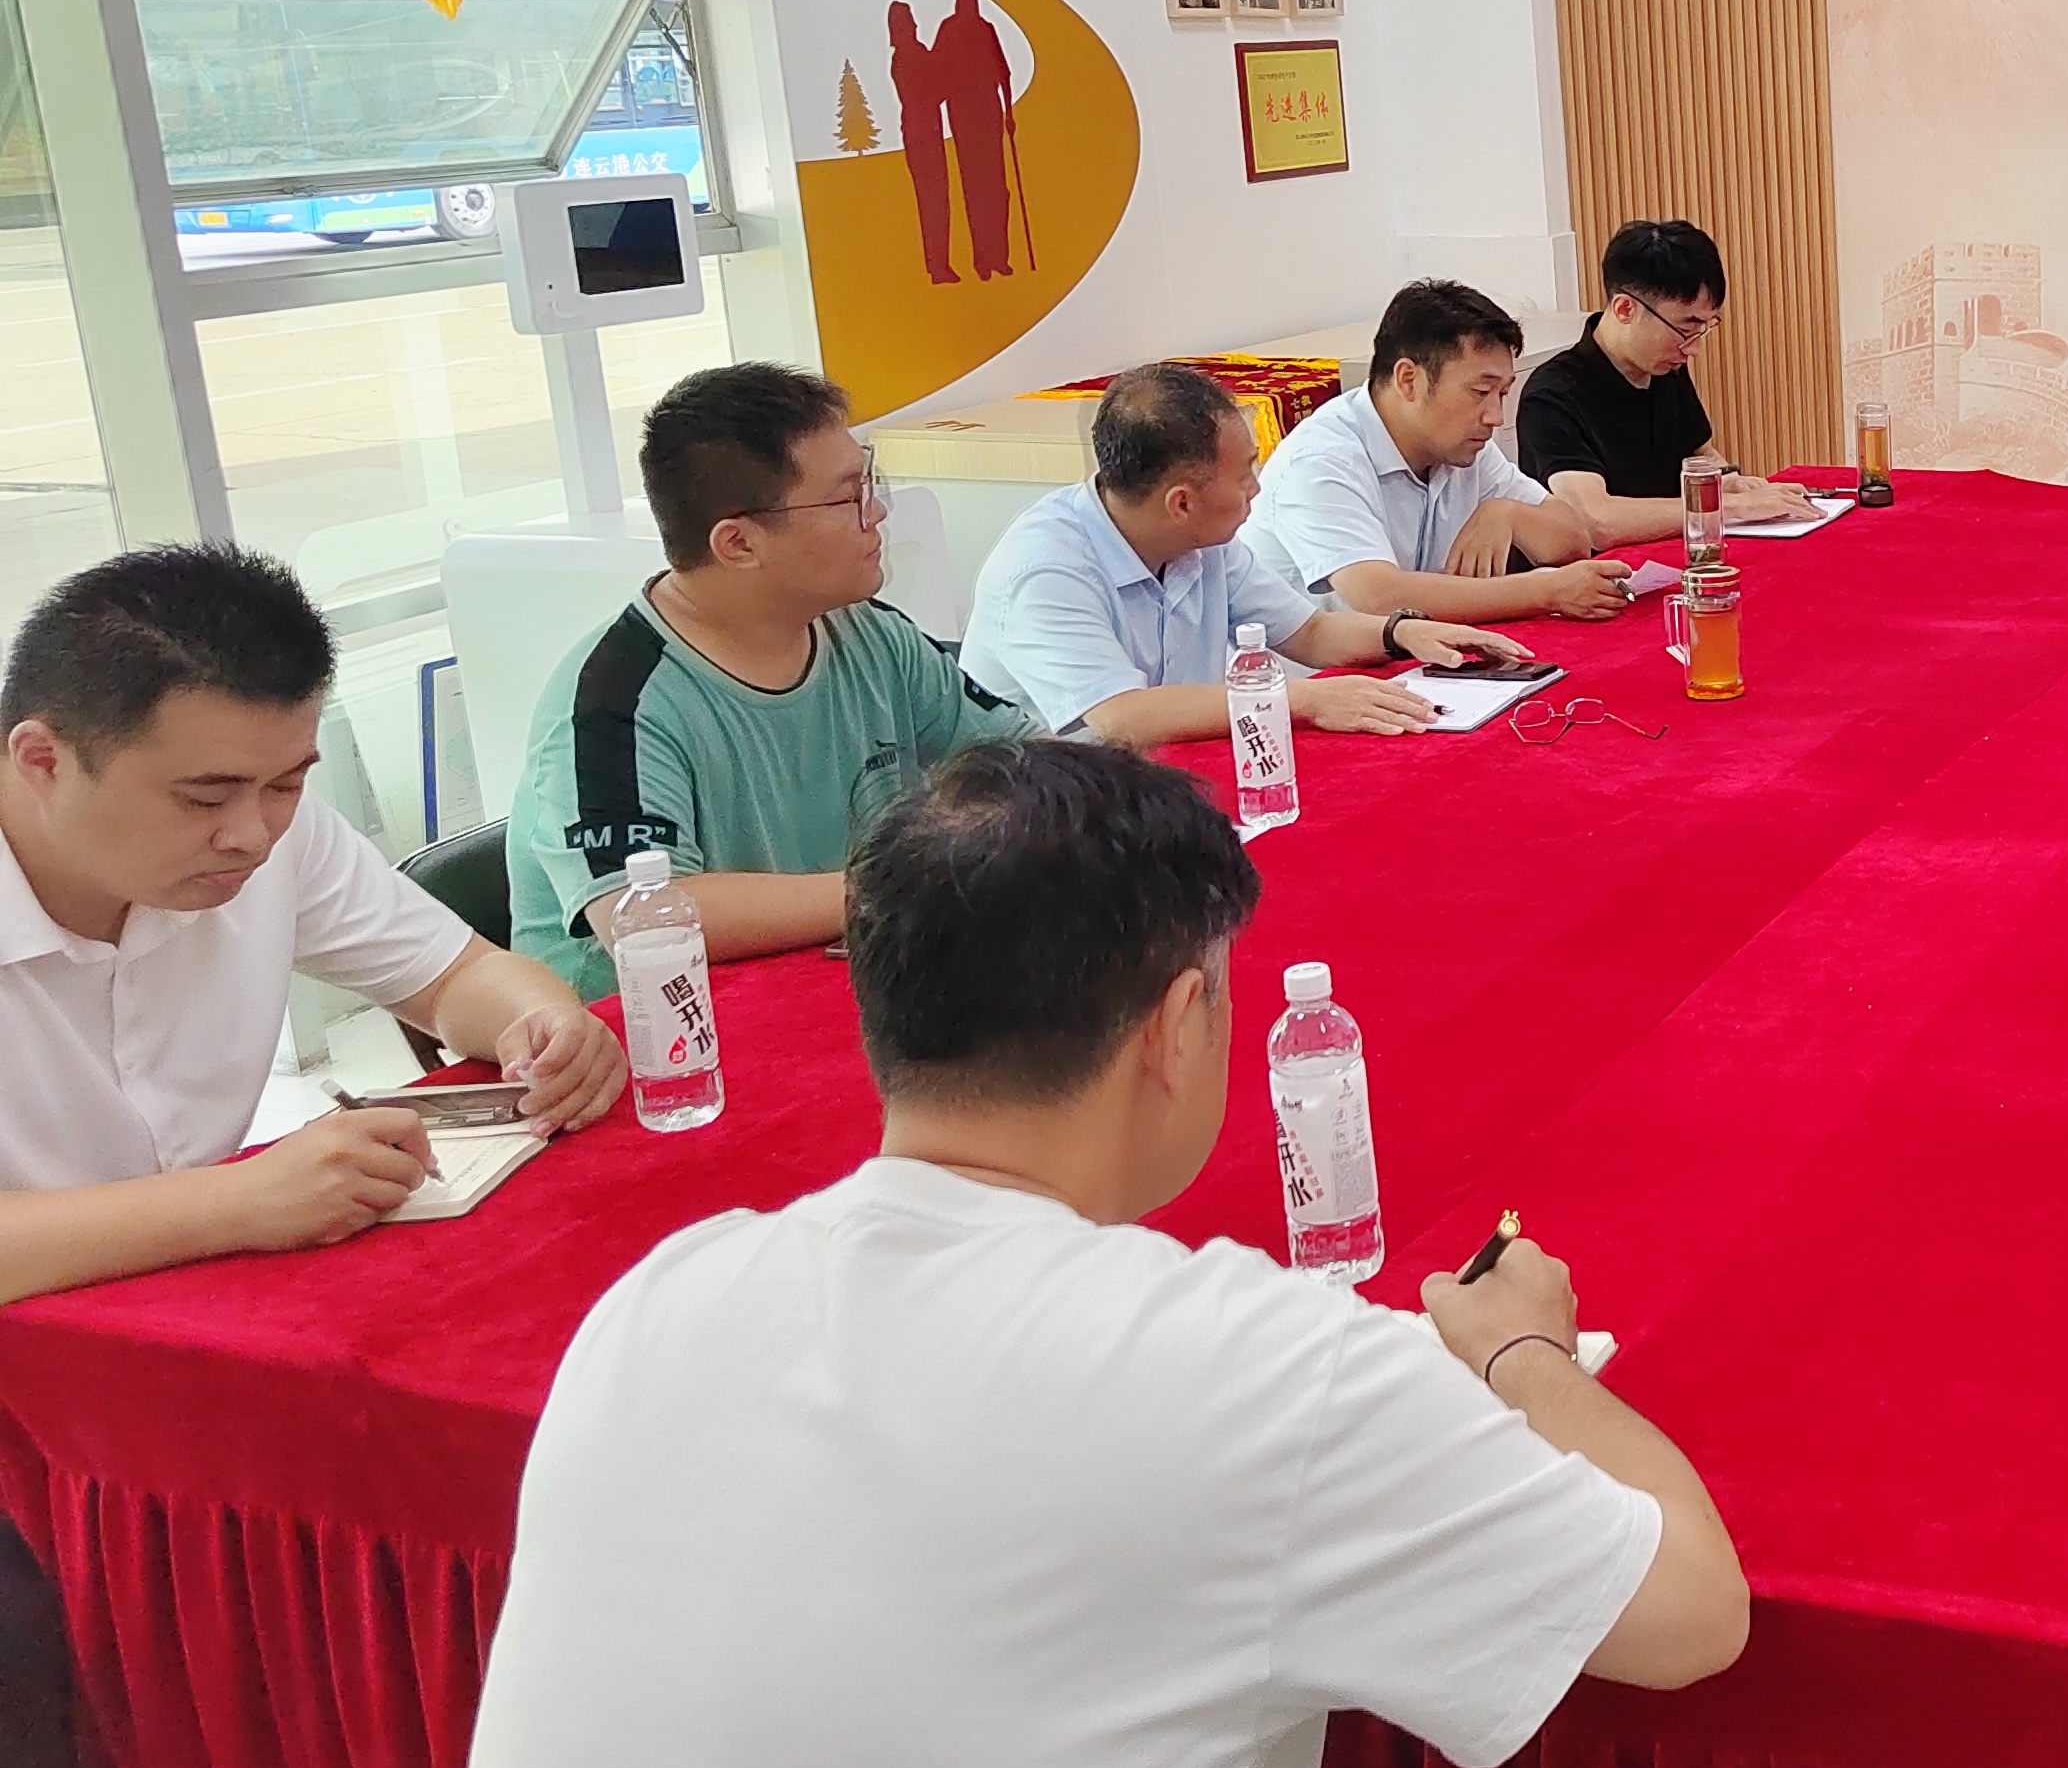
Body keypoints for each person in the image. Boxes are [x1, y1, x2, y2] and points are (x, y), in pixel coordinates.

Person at [455, 740, 1898, 1768]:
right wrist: (1527, 1352)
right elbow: (1690, 1614)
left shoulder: (660, 1301)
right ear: (1177, 1024)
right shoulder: (1252, 1369)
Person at [0, 548, 623, 1306]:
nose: (252, 836)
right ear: (42, 760)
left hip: (186, 1303)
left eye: (288, 784)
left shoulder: (268, 821)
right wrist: (235, 1202)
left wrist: (544, 1023)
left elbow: (455, 975)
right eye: (203, 799)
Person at [509, 364, 1012, 996]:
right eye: (847, 497)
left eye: (869, 482)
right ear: (739, 544)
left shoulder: (871, 635)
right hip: (658, 1030)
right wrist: (909, 884)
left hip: (840, 981)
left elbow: (1020, 759)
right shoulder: (615, 702)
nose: (877, 511)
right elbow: (642, 917)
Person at [962, 362, 1537, 743]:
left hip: (1163, 778)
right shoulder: (1046, 568)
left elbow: (1310, 633)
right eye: (1243, 476)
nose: (1257, 490)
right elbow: (1122, 716)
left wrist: (1403, 632)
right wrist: (1306, 700)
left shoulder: (1200, 540)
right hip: (1044, 821)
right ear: (1181, 502)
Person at [1246, 282, 1636, 624]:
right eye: (1480, 392)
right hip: (1307, 678)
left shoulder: (1461, 446)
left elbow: (1572, 540)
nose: (1496, 416)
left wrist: (1509, 514)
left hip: (1417, 658)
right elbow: (1379, 597)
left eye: (1502, 393)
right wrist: (1545, 592)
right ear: (1409, 380)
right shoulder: (1322, 459)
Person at [1515, 218, 1820, 543]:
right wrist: (1732, 507)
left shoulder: (1665, 369)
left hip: (1676, 554)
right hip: (1605, 570)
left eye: (1702, 329)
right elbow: (1596, 521)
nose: (1694, 349)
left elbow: (1701, 454)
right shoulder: (1551, 397)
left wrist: (1734, 483)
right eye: (1685, 329)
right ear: (1625, 309)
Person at [935, 0, 1020, 281]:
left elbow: (1003, 71)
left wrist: (1009, 112)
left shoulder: (985, 29)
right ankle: (983, 260)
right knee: (976, 189)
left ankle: (999, 257)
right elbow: (940, 72)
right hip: (965, 118)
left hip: (988, 116)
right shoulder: (950, 30)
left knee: (996, 189)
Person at [887, 0, 955, 286]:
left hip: (920, 131)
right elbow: (932, 90)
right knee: (934, 200)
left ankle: (938, 264)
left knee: (933, 200)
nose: (915, 25)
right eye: (910, 21)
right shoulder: (910, 55)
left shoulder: (908, 55)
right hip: (923, 132)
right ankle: (938, 266)